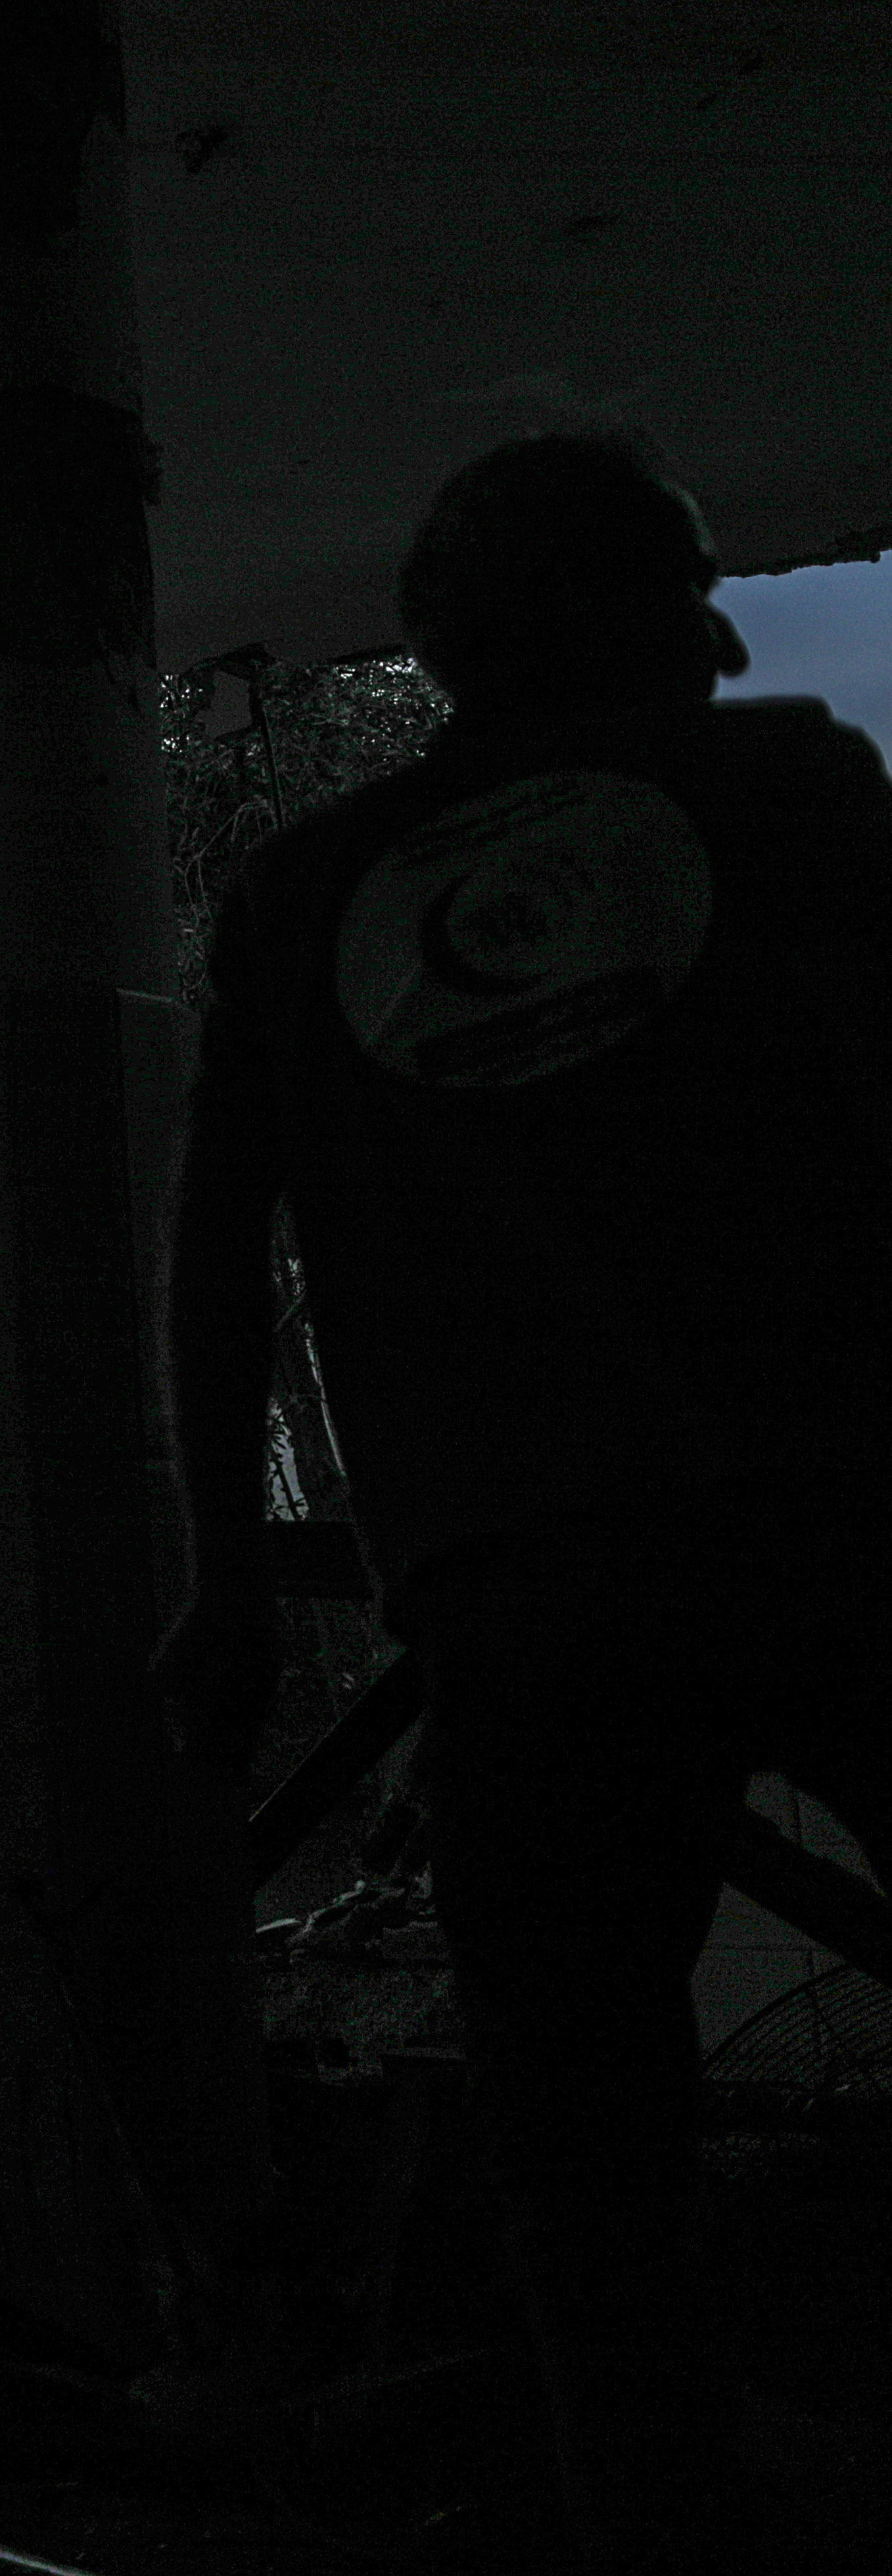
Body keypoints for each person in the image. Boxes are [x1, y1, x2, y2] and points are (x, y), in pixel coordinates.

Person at [156, 431, 892, 2574]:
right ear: (660, 624)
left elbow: (215, 1254)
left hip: (524, 1592)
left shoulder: (309, 894)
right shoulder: (788, 792)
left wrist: (222, 1574)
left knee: (588, 2153)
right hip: (837, 1525)